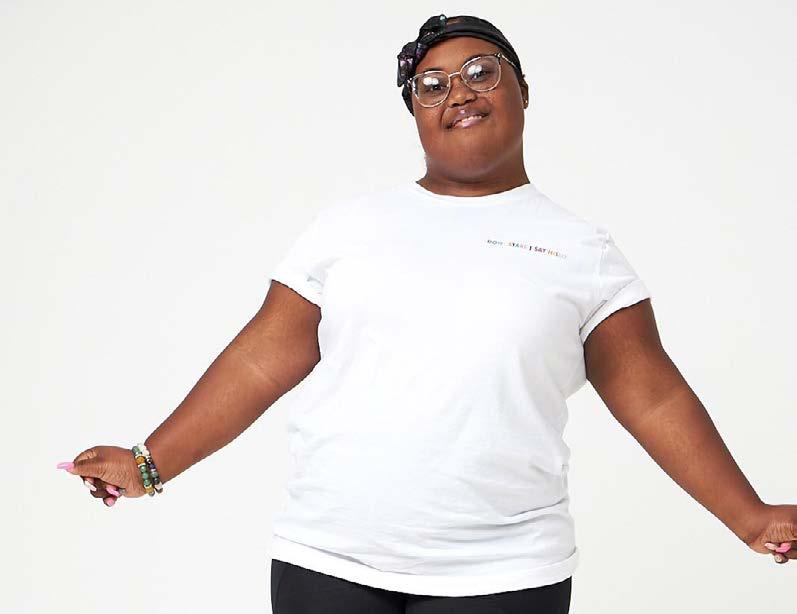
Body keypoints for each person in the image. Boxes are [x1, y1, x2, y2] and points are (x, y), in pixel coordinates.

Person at [58, 13, 797, 614]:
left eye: (481, 72)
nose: (457, 93)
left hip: (504, 576)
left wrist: (749, 514)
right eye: (431, 85)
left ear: (522, 89)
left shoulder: (582, 251)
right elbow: (258, 361)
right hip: (328, 564)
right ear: (414, 113)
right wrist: (150, 464)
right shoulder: (349, 229)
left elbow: (653, 395)